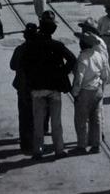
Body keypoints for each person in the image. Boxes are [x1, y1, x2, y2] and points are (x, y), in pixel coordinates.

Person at [20, 11, 76, 160]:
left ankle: (37, 151)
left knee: (38, 122)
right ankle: (59, 150)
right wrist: (62, 73)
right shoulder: (57, 45)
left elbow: (23, 65)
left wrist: (32, 76)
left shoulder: (31, 46)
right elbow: (72, 60)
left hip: (37, 89)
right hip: (54, 89)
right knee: (56, 122)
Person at [71, 31, 110, 155]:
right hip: (97, 90)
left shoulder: (83, 57)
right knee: (96, 118)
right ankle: (96, 145)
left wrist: (75, 93)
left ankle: (81, 146)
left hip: (85, 91)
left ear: (83, 44)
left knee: (81, 120)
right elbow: (105, 75)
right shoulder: (99, 55)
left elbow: (79, 78)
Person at [10, 23, 39, 155]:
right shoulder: (40, 49)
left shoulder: (20, 49)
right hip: (36, 87)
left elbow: (13, 66)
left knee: (24, 116)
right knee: (36, 116)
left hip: (22, 87)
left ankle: (25, 144)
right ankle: (36, 144)